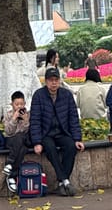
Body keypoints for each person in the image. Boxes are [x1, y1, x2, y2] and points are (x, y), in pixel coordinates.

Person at [29, 67, 84, 196]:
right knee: (50, 148)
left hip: (62, 131)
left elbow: (73, 118)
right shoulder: (39, 95)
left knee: (71, 146)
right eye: (50, 80)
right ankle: (65, 181)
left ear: (59, 81)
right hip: (46, 133)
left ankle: (61, 182)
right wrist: (37, 142)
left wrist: (77, 139)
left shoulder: (66, 95)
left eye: (56, 80)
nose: (53, 83)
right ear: (45, 81)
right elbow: (35, 120)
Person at [2, 90, 31, 193]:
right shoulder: (8, 115)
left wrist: (25, 120)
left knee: (22, 143)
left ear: (25, 104)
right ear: (12, 104)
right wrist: (14, 119)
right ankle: (12, 174)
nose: (19, 106)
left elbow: (27, 131)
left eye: (21, 104)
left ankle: (10, 169)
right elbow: (8, 132)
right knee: (21, 145)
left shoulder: (27, 114)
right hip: (11, 141)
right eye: (17, 104)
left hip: (22, 140)